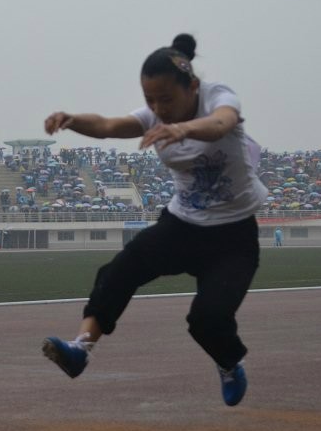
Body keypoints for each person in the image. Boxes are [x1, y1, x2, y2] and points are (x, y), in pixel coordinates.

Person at [40, 33, 267, 407]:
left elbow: (221, 124)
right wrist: (72, 119)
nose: (158, 109)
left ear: (192, 86)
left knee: (208, 319)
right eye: (150, 100)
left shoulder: (217, 97)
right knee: (120, 270)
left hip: (233, 235)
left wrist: (182, 128)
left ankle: (229, 363)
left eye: (166, 99)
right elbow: (109, 126)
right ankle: (80, 348)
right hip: (182, 226)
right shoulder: (153, 116)